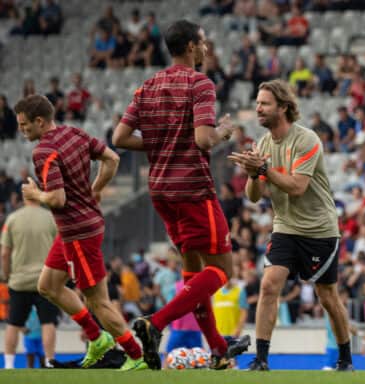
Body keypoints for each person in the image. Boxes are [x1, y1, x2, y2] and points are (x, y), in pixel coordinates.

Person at [112, 19, 250, 371]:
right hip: (192, 188)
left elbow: (120, 138)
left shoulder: (147, 86)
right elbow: (205, 140)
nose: (205, 49)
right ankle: (154, 323)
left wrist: (160, 145)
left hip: (160, 191)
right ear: (190, 46)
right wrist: (224, 131)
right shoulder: (199, 83)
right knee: (222, 271)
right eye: (202, 43)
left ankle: (219, 350)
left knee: (192, 274)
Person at [228, 79, 354, 371]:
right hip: (285, 226)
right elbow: (254, 196)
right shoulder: (261, 144)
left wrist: (263, 169)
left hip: (319, 229)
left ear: (283, 107)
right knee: (269, 285)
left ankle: (345, 360)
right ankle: (260, 359)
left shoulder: (306, 139)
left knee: (327, 296)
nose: (258, 108)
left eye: (264, 104)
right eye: (257, 103)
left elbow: (297, 187)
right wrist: (252, 174)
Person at [14, 94, 146, 371]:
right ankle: (97, 340)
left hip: (77, 231)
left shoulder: (43, 152)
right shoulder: (74, 132)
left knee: (98, 301)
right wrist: (95, 190)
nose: (21, 130)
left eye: (25, 125)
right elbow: (111, 159)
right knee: (48, 286)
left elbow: (58, 199)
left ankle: (137, 356)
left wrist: (35, 193)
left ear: (39, 122)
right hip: (80, 227)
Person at [1, 194, 59, 369]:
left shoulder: (12, 219)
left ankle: (9, 365)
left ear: (23, 198)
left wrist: (7, 275)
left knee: (13, 323)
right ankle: (49, 362)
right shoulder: (51, 219)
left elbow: (4, 253)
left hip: (19, 280)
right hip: (45, 279)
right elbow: (61, 248)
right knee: (48, 322)